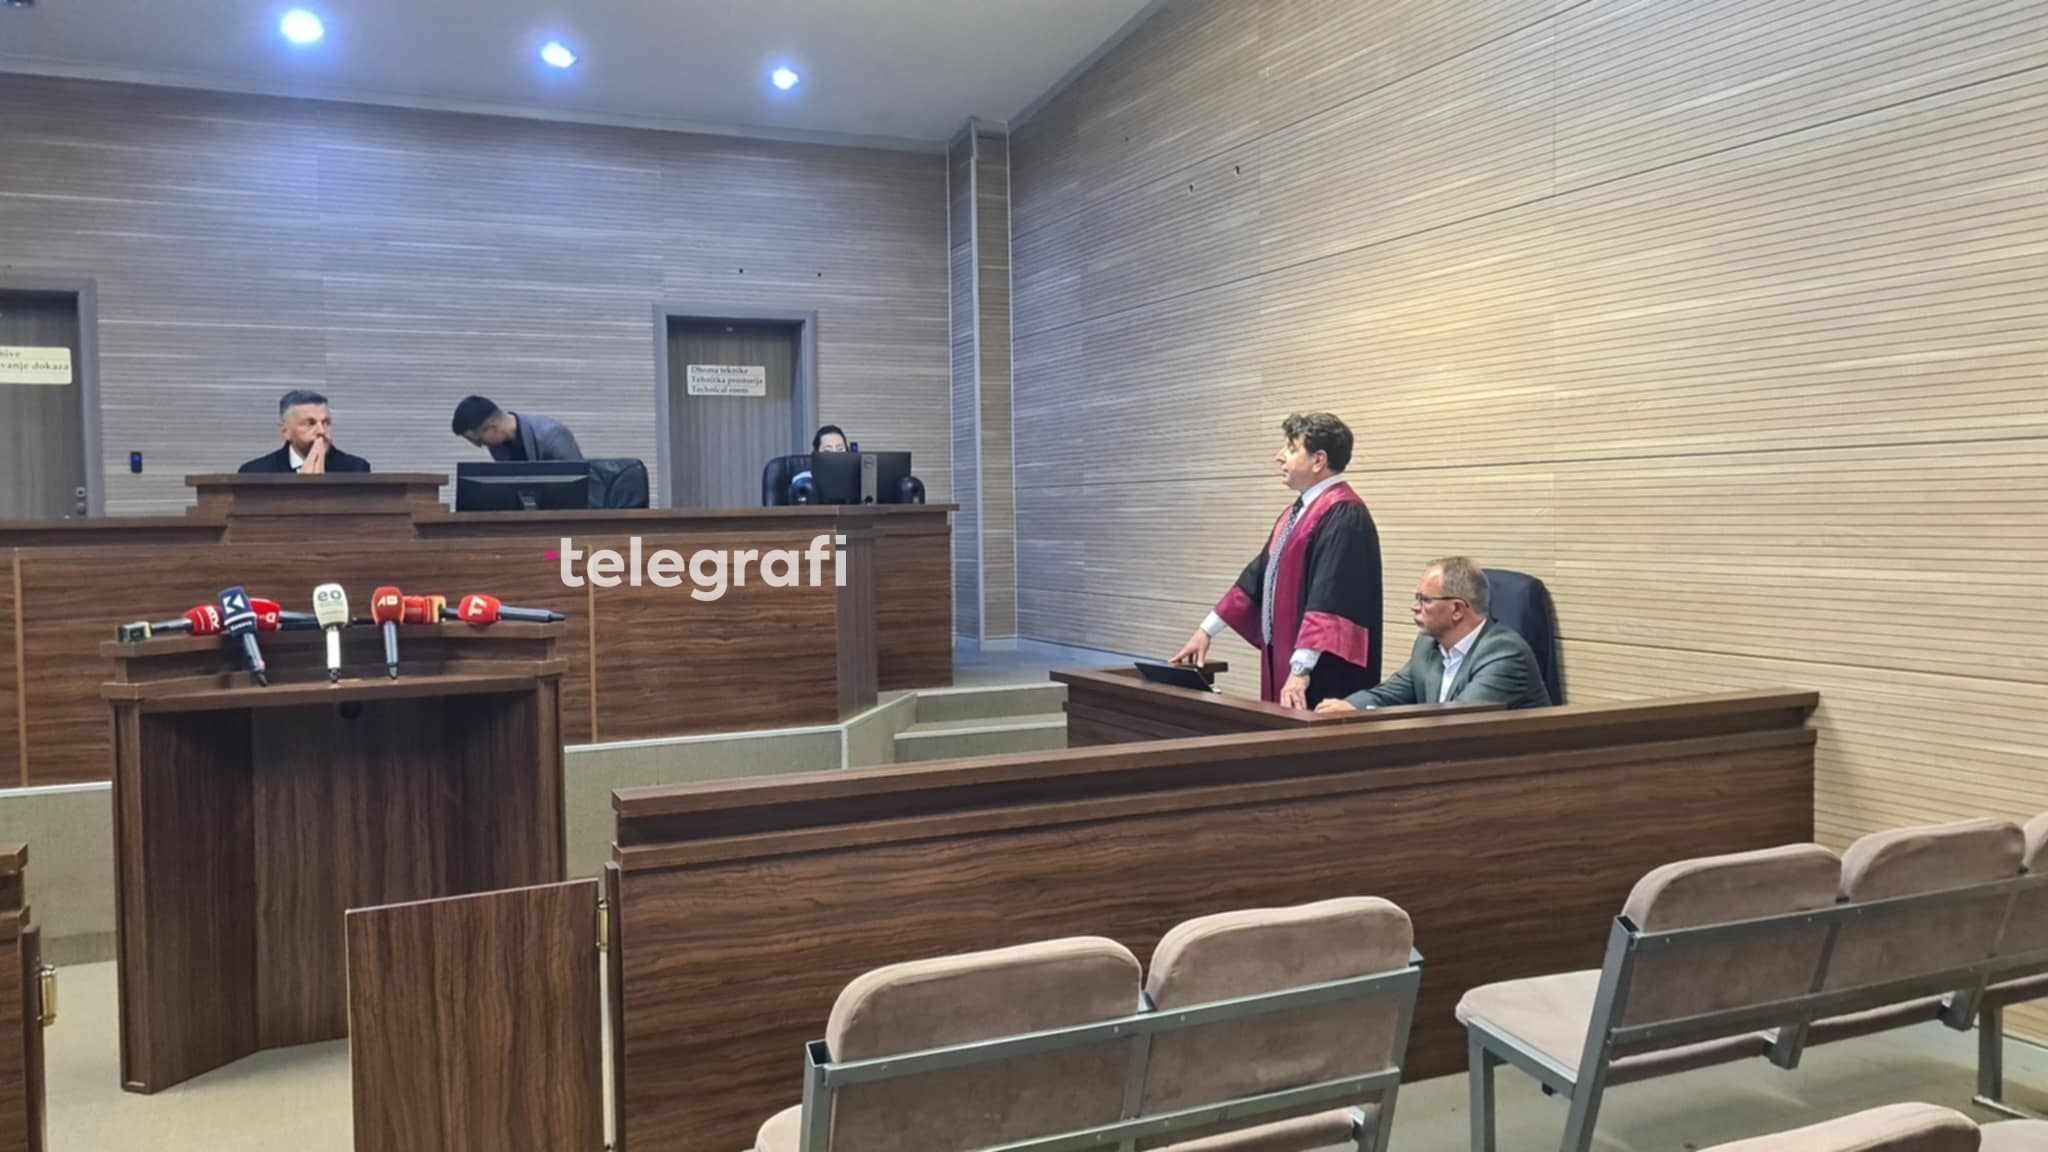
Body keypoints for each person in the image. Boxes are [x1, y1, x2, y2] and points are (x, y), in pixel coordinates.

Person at [1169, 412, 1382, 709]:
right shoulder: (1296, 513)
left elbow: (1330, 600)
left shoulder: (1345, 514)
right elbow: (1257, 577)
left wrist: (1301, 669)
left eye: (1291, 448)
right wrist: (1206, 630)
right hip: (1289, 660)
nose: (1279, 456)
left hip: (1321, 673)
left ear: (1318, 460)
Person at [1316, 556, 1551, 713]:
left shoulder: (1504, 654)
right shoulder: (1428, 646)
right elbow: (1388, 694)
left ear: (1457, 609)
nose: (1415, 607)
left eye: (1425, 600)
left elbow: (1461, 722)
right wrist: (1351, 707)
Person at [238, 390, 371, 474]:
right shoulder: (255, 472)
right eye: (310, 423)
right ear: (285, 431)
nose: (321, 431)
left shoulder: (356, 469)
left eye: (326, 422)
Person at [451, 395, 584, 462]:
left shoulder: (552, 435)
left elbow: (580, 485)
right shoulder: (499, 446)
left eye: (480, 441)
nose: (480, 446)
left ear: (493, 428)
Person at [789, 425, 849, 496]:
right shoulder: (804, 477)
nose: (835, 455)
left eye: (840, 449)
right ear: (816, 454)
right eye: (827, 451)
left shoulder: (856, 478)